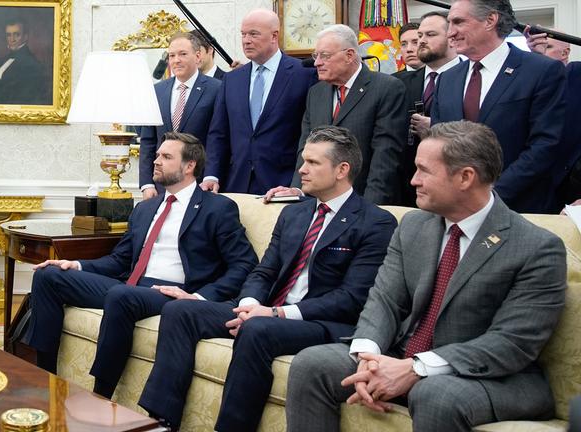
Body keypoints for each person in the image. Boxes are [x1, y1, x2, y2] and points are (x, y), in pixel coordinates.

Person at [286, 120, 567, 432]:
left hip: (491, 376)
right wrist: (369, 356)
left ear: (465, 177)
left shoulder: (537, 247)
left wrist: (417, 368)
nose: (413, 180)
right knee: (313, 364)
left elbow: (512, 342)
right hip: (403, 354)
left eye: (424, 170)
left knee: (437, 393)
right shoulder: (413, 225)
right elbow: (384, 300)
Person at [138, 126, 397, 432]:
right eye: (303, 160)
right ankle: (161, 421)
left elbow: (351, 298)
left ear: (342, 170)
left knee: (258, 329)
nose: (301, 169)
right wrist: (249, 304)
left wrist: (275, 313)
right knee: (180, 311)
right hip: (267, 312)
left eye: (313, 163)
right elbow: (264, 271)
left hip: (319, 321)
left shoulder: (376, 222)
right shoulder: (293, 214)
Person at [25, 132, 258, 397]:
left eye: (166, 157)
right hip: (130, 286)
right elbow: (119, 261)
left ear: (189, 166)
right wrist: (77, 265)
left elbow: (244, 264)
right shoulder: (145, 208)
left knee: (121, 294)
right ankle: (44, 379)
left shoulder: (217, 208)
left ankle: (101, 395)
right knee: (48, 275)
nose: (156, 161)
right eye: (157, 155)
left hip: (171, 294)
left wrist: (197, 297)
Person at [431, 0, 566, 213]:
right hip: (456, 208)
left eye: (458, 22)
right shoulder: (447, 79)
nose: (450, 33)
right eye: (449, 24)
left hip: (520, 209)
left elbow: (546, 144)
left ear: (490, 20)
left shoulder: (541, 71)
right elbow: (438, 143)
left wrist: (490, 195)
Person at [282, 24, 405, 205]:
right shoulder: (316, 92)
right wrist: (299, 191)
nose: (317, 63)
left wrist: (370, 208)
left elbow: (385, 157)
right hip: (318, 203)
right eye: (316, 56)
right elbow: (305, 147)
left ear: (349, 55)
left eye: (325, 56)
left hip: (362, 201)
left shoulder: (387, 89)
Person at [201, 9, 317, 195]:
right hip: (236, 184)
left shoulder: (304, 74)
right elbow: (218, 134)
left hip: (283, 185)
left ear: (274, 36)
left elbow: (311, 134)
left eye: (253, 34)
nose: (246, 40)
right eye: (243, 34)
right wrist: (211, 176)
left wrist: (297, 185)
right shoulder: (232, 80)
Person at [139, 32, 221, 200]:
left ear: (198, 56)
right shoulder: (156, 91)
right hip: (161, 186)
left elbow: (218, 139)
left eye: (183, 54)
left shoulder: (217, 89)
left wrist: (211, 176)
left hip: (200, 185)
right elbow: (148, 140)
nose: (176, 60)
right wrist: (146, 184)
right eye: (171, 55)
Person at [396, 11, 460, 206]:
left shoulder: (472, 79)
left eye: (430, 35)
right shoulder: (397, 83)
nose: (421, 41)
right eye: (420, 35)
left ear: (451, 38)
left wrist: (436, 128)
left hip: (454, 184)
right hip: (405, 188)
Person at [524, 26, 581, 210]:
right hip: (536, 186)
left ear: (565, 52)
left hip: (572, 189)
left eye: (546, 47)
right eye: (534, 48)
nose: (539, 51)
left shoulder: (576, 74)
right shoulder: (527, 83)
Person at [0, 18, 50, 105]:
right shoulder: (3, 60)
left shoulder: (32, 64)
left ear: (25, 37)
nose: (12, 39)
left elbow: (12, 97)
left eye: (16, 35)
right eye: (9, 35)